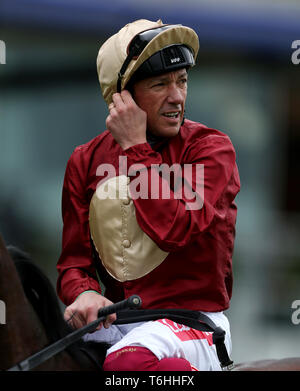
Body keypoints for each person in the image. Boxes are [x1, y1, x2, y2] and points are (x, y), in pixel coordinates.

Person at [56, 19, 240, 371]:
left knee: (127, 364)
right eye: (160, 84)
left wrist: (136, 148)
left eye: (182, 81)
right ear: (122, 97)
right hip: (115, 326)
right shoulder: (84, 160)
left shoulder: (212, 149)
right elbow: (72, 263)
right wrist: (83, 291)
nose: (177, 96)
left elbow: (175, 230)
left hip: (193, 325)